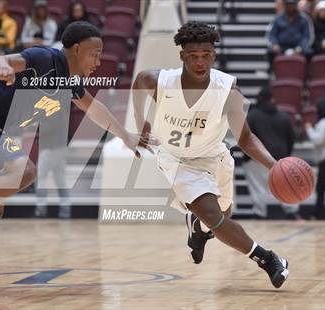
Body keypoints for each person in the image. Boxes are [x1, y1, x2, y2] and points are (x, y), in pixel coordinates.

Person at [0, 21, 152, 289]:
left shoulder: (69, 84)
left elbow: (95, 109)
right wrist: (1, 67)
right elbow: (1, 60)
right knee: (26, 171)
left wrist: (126, 136)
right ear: (77, 48)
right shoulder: (44, 58)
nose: (99, 60)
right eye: (95, 53)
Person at [132, 21, 289, 288]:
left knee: (222, 215)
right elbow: (138, 84)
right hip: (176, 159)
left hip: (214, 156)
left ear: (213, 55)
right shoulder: (158, 81)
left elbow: (246, 138)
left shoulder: (228, 91)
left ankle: (197, 227)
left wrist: (274, 166)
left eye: (206, 56)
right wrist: (141, 125)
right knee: (214, 217)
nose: (200, 62)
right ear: (182, 56)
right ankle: (268, 259)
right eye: (193, 56)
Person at [243, 86, 300, 219]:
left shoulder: (251, 116)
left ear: (259, 99)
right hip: (280, 157)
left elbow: (245, 138)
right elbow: (291, 139)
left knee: (258, 187)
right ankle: (291, 211)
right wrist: (286, 156)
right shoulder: (284, 117)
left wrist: (247, 157)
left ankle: (259, 213)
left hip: (256, 158)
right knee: (284, 186)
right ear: (273, 99)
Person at [267, 0, 314, 68]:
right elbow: (271, 35)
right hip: (281, 46)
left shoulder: (304, 18)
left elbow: (307, 36)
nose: (290, 7)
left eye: (292, 5)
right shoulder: (278, 18)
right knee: (270, 52)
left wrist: (299, 48)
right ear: (285, 6)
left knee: (309, 52)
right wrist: (275, 44)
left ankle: (307, 74)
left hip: (299, 47)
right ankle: (272, 72)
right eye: (288, 5)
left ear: (296, 6)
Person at [305, 97, 325, 219]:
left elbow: (318, 140)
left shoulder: (323, 123)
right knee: (320, 189)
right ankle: (317, 214)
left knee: (320, 189)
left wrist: (309, 129)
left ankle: (316, 214)